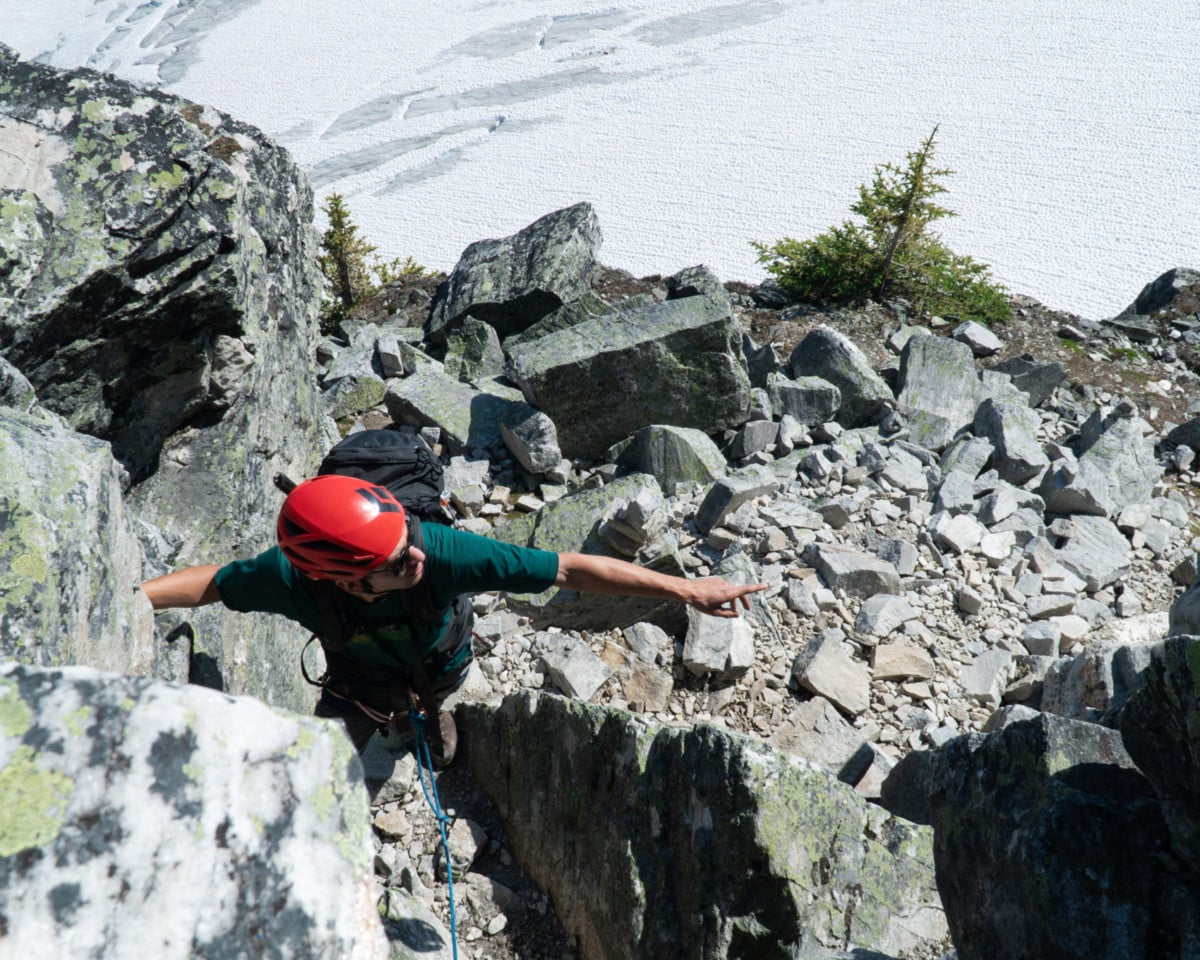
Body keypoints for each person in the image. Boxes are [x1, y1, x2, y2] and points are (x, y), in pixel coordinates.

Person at [142, 474, 766, 765]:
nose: (415, 554)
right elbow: (213, 585)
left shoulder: (441, 552)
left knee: (430, 695)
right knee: (319, 769)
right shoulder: (288, 578)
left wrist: (685, 589)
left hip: (439, 661)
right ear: (342, 578)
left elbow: (571, 570)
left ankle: (426, 719)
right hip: (357, 683)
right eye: (393, 560)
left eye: (407, 540)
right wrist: (134, 599)